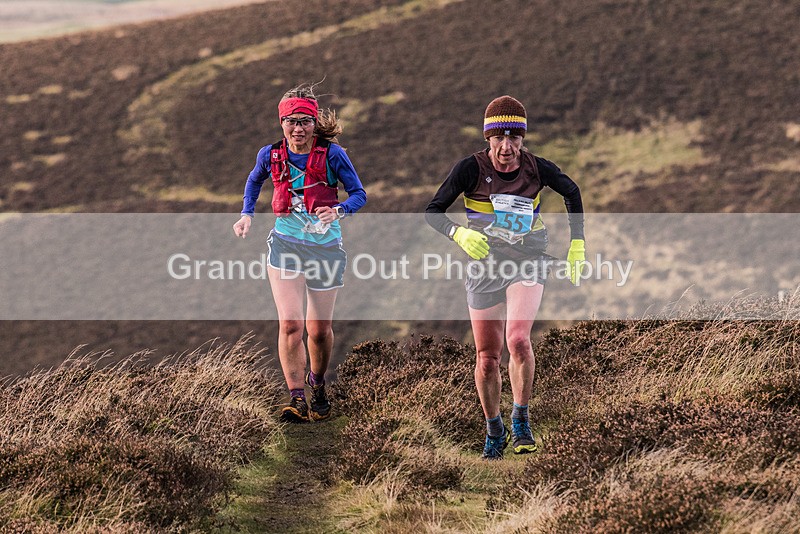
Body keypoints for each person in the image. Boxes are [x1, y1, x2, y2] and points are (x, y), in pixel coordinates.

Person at [425, 95, 585, 459]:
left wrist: (578, 243)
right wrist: (459, 234)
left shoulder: (537, 168)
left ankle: (521, 422)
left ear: (523, 140)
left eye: (515, 138)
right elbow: (433, 211)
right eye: (499, 138)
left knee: (518, 340)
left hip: (528, 260)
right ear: (488, 138)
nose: (507, 147)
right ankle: (494, 431)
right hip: (484, 265)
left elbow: (571, 192)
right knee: (486, 357)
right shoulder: (469, 169)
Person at [233, 84, 367, 423]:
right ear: (282, 123)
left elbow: (359, 194)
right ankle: (296, 398)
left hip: (325, 248)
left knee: (318, 330)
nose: (298, 129)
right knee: (290, 324)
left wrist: (338, 211)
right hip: (285, 245)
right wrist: (247, 213)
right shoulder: (270, 154)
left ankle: (317, 383)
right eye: (291, 121)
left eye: (305, 121)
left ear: (314, 122)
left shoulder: (333, 155)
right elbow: (253, 182)